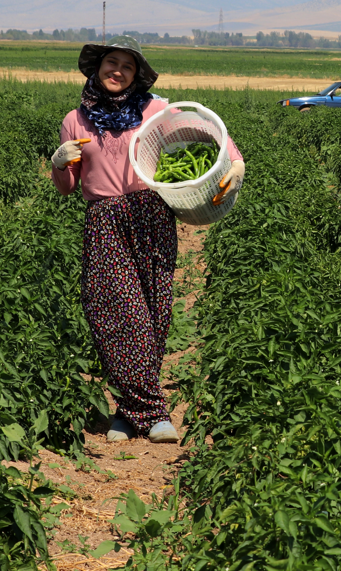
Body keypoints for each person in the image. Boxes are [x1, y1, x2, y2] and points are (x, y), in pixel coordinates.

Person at [50, 36, 243, 443]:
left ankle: (127, 413)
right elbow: (67, 187)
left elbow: (210, 134)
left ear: (136, 75)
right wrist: (59, 163)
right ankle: (154, 414)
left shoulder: (154, 109)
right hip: (104, 219)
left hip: (151, 213)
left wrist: (236, 164)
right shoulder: (76, 120)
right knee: (120, 313)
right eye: (111, 62)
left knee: (154, 314)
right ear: (97, 67)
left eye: (127, 66)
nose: (117, 71)